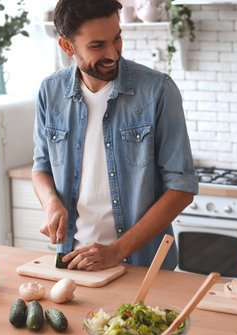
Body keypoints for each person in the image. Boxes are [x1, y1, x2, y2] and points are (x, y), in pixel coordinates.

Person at [32, 0, 197, 271]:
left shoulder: (158, 91)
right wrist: (50, 202)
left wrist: (115, 252)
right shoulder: (50, 92)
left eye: (117, 38)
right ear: (67, 46)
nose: (113, 53)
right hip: (75, 262)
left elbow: (181, 189)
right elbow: (41, 168)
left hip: (144, 267)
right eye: (97, 45)